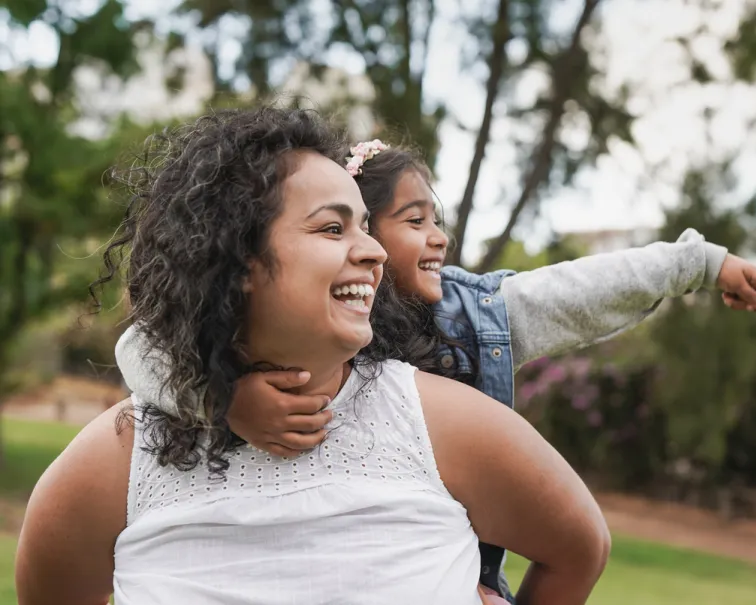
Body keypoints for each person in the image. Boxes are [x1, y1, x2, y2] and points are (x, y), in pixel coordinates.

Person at [115, 139, 756, 601]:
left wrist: (699, 262)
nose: (437, 237)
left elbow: (583, 288)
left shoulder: (472, 314)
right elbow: (143, 347)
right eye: (412, 219)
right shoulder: (264, 334)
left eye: (436, 219)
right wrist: (223, 397)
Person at [15, 107, 609, 605]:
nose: (375, 252)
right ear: (237, 260)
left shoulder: (441, 423)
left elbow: (579, 547)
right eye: (333, 229)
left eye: (365, 228)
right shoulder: (118, 460)